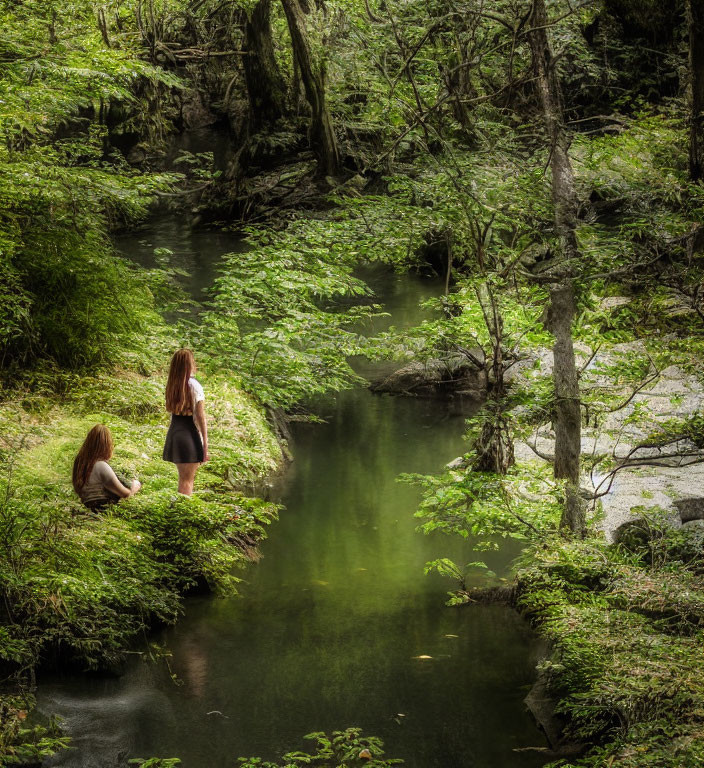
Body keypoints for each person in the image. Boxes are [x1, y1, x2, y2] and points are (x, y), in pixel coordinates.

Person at [162, 348, 209, 495]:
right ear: (190, 364)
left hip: (175, 432)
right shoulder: (194, 385)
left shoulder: (172, 385)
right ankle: (184, 514)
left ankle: (180, 510)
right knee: (187, 481)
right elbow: (200, 417)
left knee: (183, 479)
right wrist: (205, 443)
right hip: (189, 434)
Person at [72, 424, 142, 510]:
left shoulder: (80, 465)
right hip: (103, 509)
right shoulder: (101, 465)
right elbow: (125, 494)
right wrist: (135, 486)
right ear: (107, 445)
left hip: (86, 507)